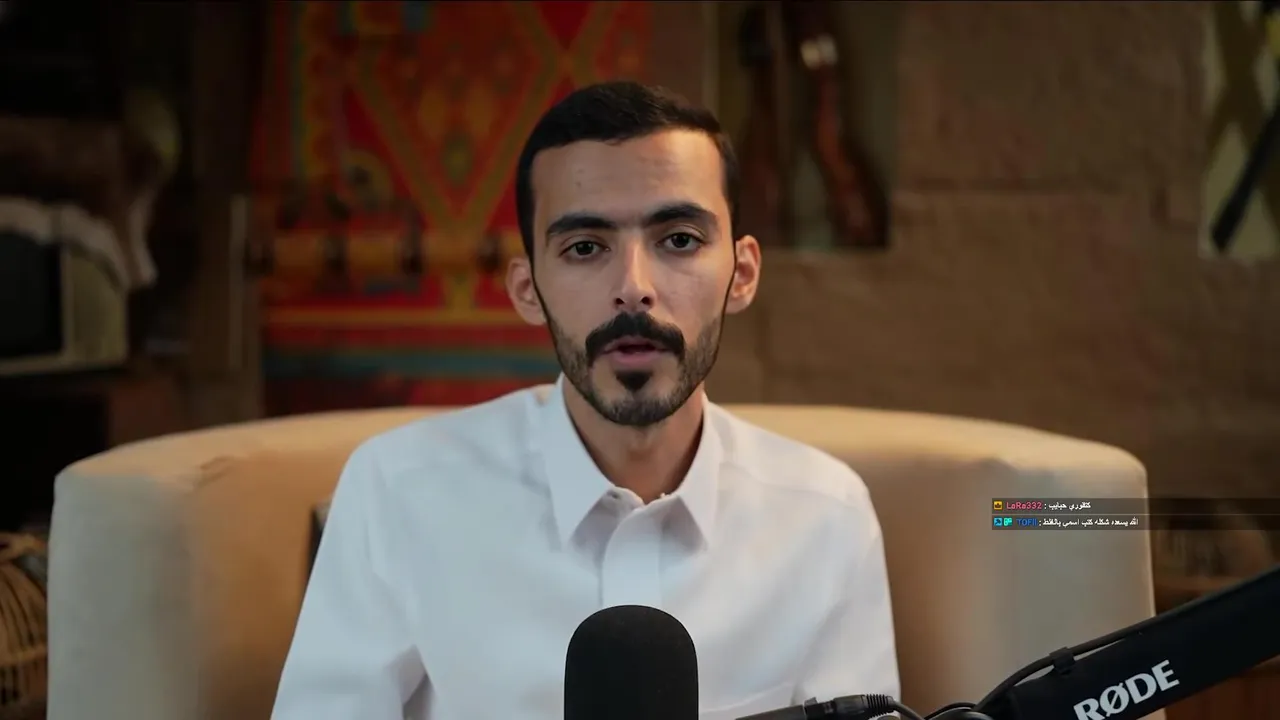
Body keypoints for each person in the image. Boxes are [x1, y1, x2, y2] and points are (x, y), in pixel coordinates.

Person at [271, 81, 898, 720]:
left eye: (679, 239)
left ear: (741, 274)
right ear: (527, 289)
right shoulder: (397, 491)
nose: (633, 288)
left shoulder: (827, 517)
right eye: (585, 248)